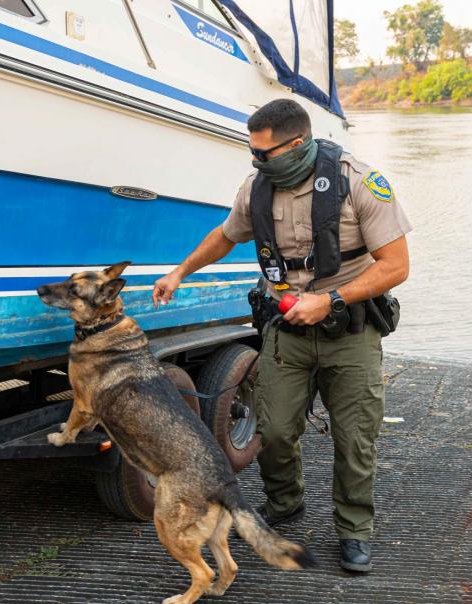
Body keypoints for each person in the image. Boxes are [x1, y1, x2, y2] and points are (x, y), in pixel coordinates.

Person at [152, 99, 411, 572]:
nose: (256, 161)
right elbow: (226, 235)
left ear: (297, 145)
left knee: (355, 438)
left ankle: (354, 531)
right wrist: (180, 272)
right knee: (271, 431)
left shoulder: (359, 181)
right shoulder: (257, 188)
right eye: (252, 152)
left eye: (264, 153)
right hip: (285, 329)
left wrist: (330, 300)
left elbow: (396, 267)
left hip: (349, 330)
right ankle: (286, 502)